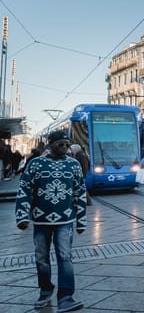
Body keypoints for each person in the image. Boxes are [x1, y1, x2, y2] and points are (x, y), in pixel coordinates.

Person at [15, 130, 86, 312]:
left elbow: (80, 192)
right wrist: (22, 216)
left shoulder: (74, 165)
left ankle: (66, 297)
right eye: (60, 144)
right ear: (50, 144)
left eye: (67, 145)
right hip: (40, 221)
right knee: (41, 258)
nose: (65, 148)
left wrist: (81, 220)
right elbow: (25, 190)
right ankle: (45, 291)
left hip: (65, 220)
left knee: (65, 257)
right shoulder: (36, 164)